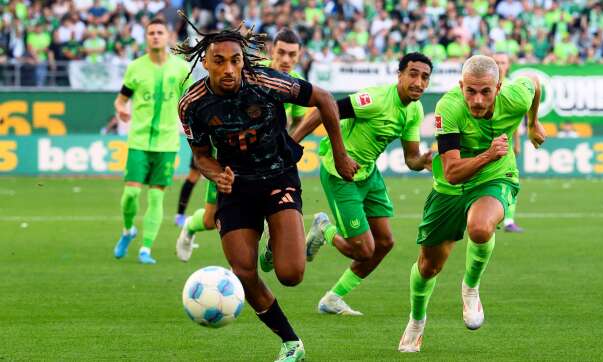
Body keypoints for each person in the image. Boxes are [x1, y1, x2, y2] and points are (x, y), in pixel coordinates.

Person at [174, 20, 358, 361]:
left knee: (291, 275)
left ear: (244, 60)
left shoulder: (267, 81)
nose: (228, 69)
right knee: (244, 272)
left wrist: (341, 152)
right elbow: (200, 156)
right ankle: (291, 343)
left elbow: (324, 98)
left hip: (278, 177)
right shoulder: (192, 104)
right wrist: (217, 175)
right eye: (219, 61)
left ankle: (280, 239)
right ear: (205, 62)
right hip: (237, 185)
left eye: (235, 60)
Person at [398, 55, 545, 352]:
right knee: (428, 267)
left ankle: (471, 288)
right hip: (451, 185)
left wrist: (533, 123)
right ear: (461, 85)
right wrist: (488, 154)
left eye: (486, 92)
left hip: (495, 177)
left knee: (480, 228)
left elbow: (535, 83)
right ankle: (416, 320)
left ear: (499, 87)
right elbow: (452, 173)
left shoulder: (515, 96)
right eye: (471, 91)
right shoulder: (448, 108)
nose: (478, 100)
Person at [284, 52, 434, 315]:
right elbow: (325, 107)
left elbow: (410, 158)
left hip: (368, 174)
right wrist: (291, 143)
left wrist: (423, 161)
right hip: (340, 174)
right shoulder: (375, 99)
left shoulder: (415, 109)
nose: (419, 83)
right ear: (399, 75)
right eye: (413, 74)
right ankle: (324, 229)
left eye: (425, 77)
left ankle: (332, 299)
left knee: (385, 243)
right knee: (364, 250)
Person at [175, 28, 308, 262]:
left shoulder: (294, 82)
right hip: (228, 162)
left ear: (299, 56)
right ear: (270, 51)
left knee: (279, 213)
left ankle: (272, 246)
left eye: (292, 55)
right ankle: (190, 227)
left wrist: (283, 146)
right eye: (281, 53)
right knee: (209, 219)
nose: (286, 60)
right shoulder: (249, 71)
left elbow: (298, 122)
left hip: (268, 165)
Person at [112, 18, 191, 265]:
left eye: (160, 32)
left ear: (168, 37)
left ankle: (146, 249)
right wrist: (121, 110)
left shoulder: (180, 69)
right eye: (151, 33)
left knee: (156, 198)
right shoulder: (136, 67)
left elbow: (190, 100)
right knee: (131, 195)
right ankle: (128, 231)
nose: (155, 36)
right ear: (146, 38)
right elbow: (121, 100)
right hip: (139, 141)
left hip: (167, 143)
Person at [492, 52, 524, 233]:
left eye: (503, 62)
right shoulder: (484, 86)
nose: (499, 65)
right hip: (483, 144)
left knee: (511, 181)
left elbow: (516, 121)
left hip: (506, 144)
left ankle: (508, 221)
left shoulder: (512, 87)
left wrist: (517, 143)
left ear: (508, 66)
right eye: (496, 62)